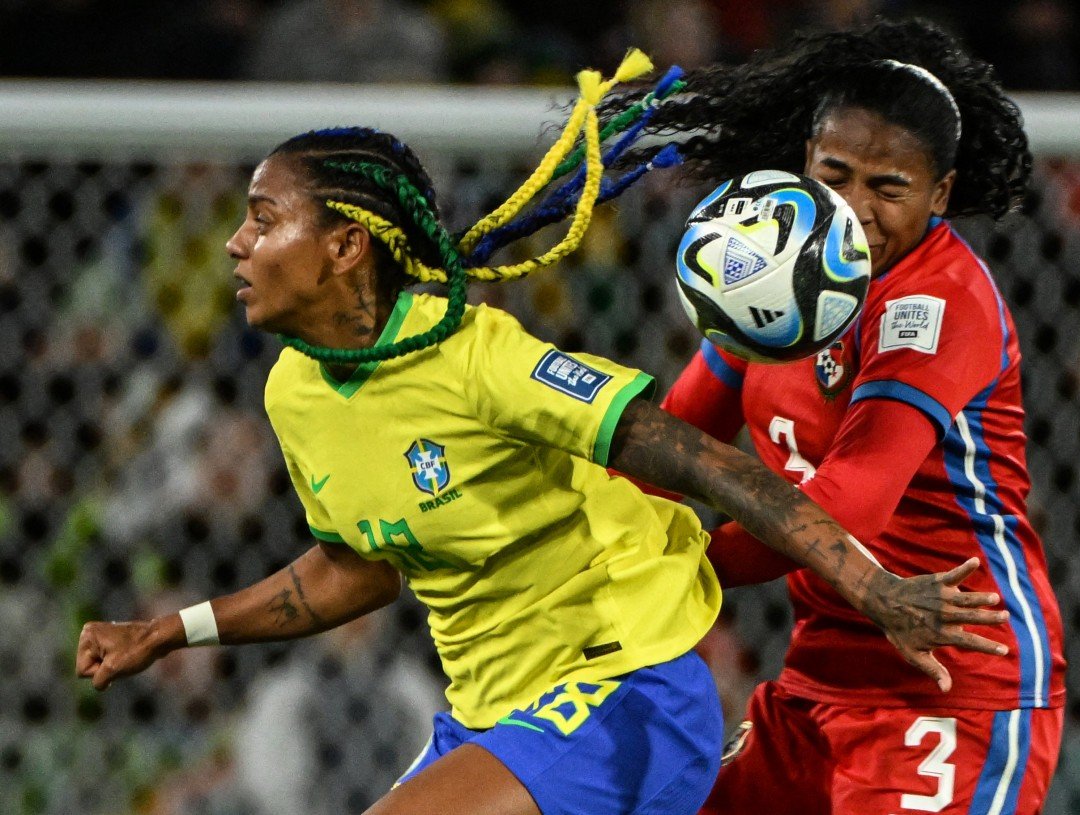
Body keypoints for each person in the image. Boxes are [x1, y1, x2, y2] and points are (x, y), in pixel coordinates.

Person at [75, 56, 1008, 815]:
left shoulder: (483, 361)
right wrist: (173, 628)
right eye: (835, 174)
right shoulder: (296, 392)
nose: (235, 242)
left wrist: (832, 578)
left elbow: (709, 465)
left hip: (621, 691)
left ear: (347, 244)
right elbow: (351, 567)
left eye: (262, 218)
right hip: (501, 713)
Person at [619, 18, 1068, 815]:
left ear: (940, 195)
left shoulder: (938, 300)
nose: (854, 207)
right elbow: (672, 446)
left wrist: (674, 570)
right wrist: (603, 539)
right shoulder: (776, 266)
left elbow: (849, 505)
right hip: (819, 676)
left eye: (888, 188)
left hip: (951, 680)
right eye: (836, 173)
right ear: (805, 162)